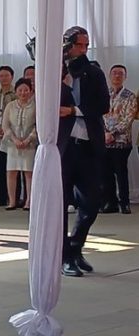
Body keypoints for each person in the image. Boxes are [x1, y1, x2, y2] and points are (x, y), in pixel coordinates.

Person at [57, 26, 111, 277]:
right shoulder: (56, 72)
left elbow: (103, 105)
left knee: (91, 203)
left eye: (86, 45)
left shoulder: (94, 72)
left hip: (89, 146)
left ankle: (75, 246)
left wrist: (74, 111)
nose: (83, 49)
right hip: (64, 147)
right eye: (79, 45)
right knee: (60, 205)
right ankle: (64, 256)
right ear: (68, 45)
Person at [100, 64, 137, 214]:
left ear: (125, 77)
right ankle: (111, 202)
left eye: (120, 74)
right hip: (105, 140)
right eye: (114, 73)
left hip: (122, 141)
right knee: (106, 173)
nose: (117, 76)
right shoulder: (105, 94)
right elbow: (100, 115)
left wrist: (113, 133)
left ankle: (124, 202)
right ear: (109, 76)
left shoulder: (130, 96)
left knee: (121, 173)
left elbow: (129, 118)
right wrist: (105, 133)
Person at [0, 78, 37, 211]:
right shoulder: (10, 106)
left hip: (30, 144)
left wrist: (28, 139)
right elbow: (5, 125)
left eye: (26, 90)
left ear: (31, 91)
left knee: (29, 173)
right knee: (11, 172)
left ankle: (29, 201)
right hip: (12, 144)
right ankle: (12, 201)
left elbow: (37, 125)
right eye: (20, 90)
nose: (23, 93)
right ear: (15, 91)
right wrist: (14, 139)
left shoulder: (35, 106)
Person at [0, 65, 18, 207]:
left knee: (14, 167)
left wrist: (7, 129)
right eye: (1, 76)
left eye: (7, 75)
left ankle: (14, 197)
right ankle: (1, 196)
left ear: (12, 77)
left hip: (13, 134)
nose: (4, 78)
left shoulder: (17, 93)